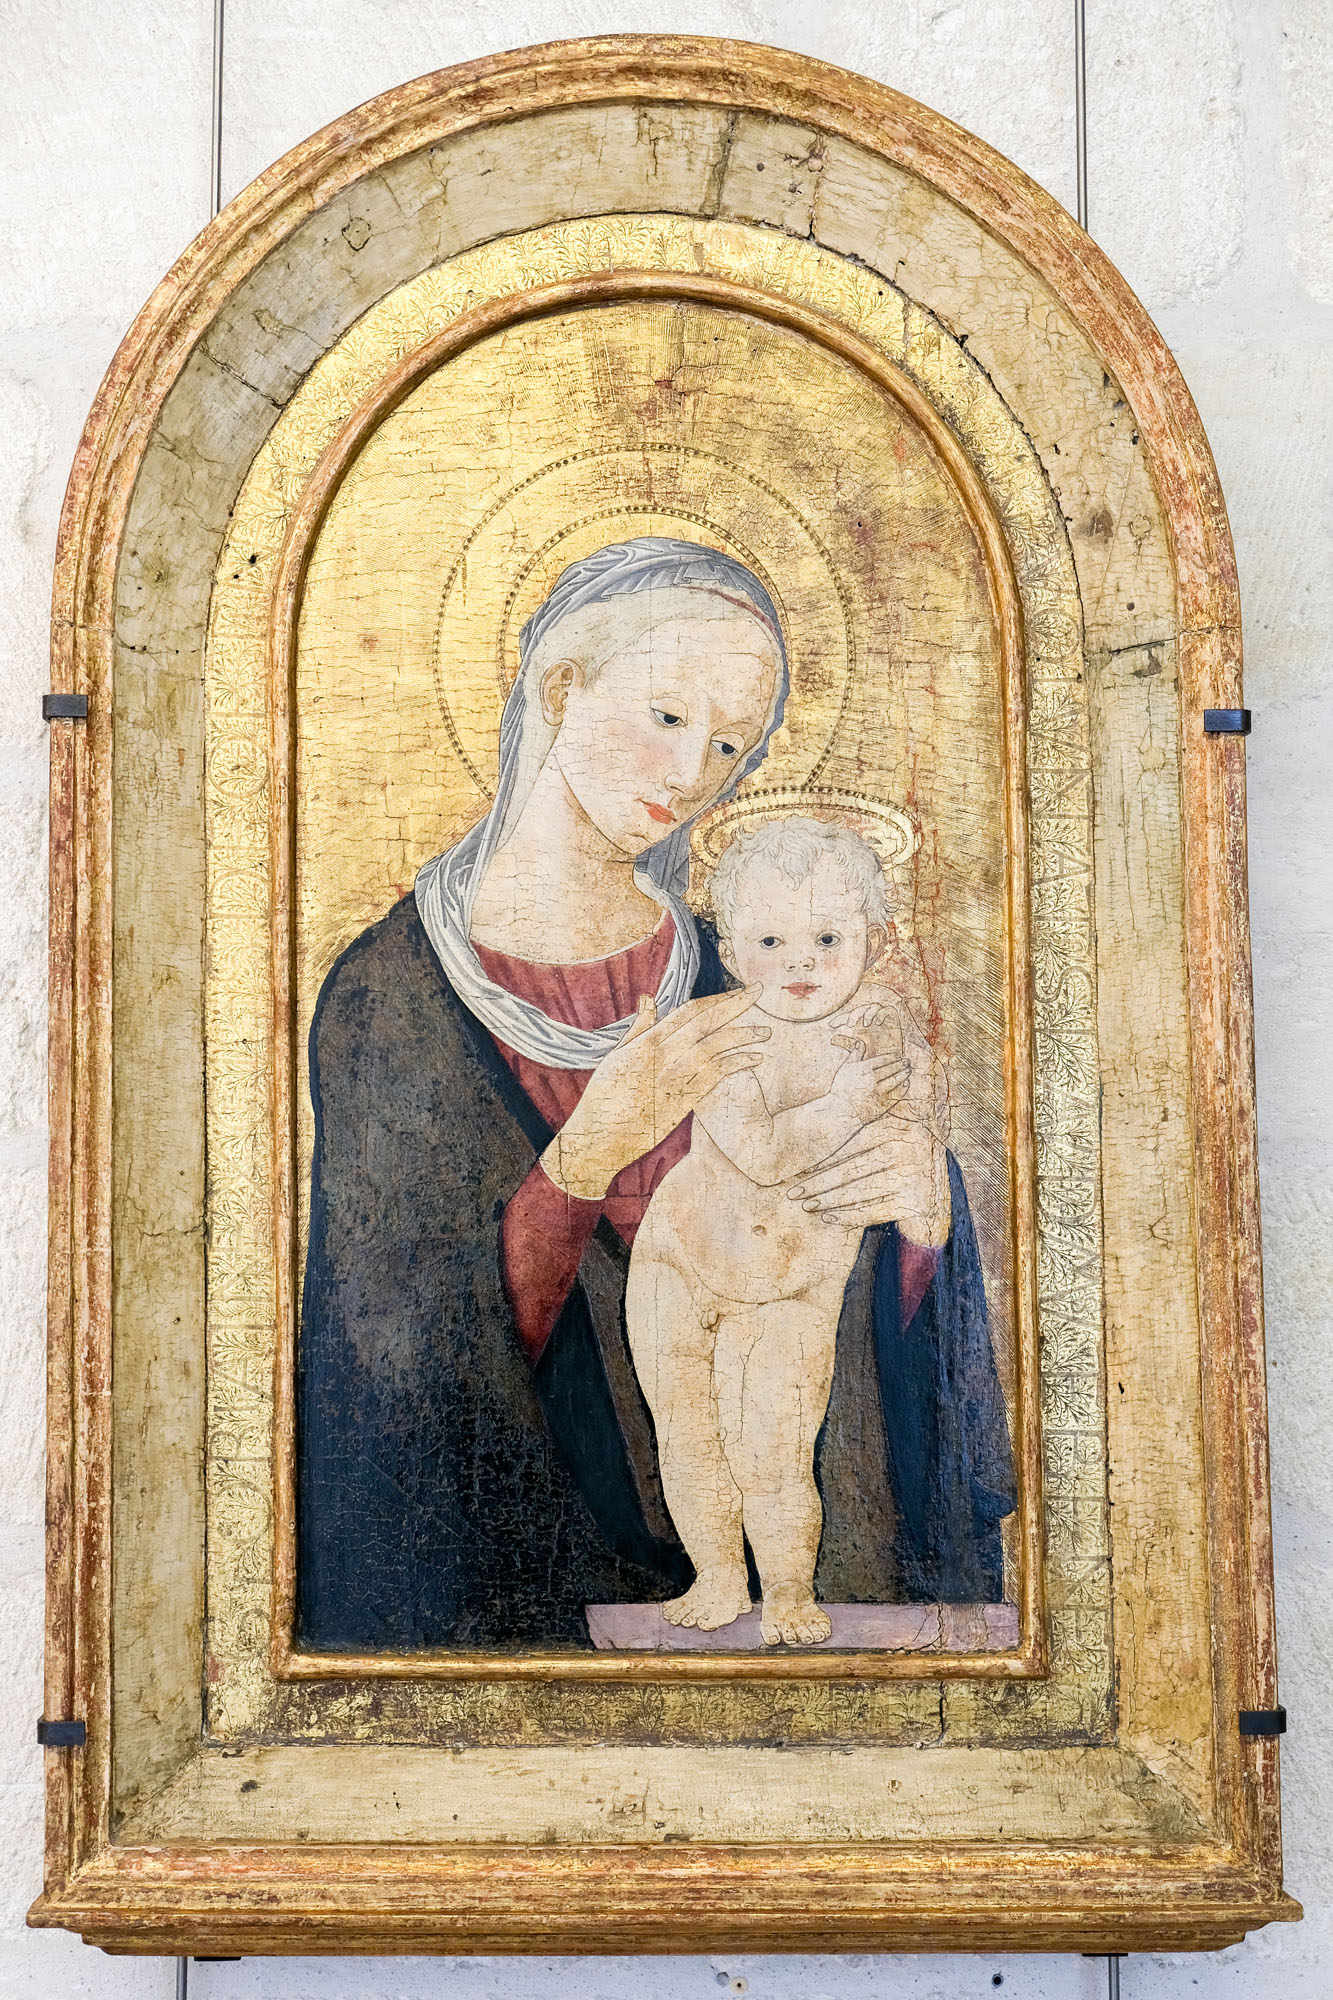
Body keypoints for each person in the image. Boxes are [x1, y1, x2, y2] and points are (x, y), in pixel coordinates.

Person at [297, 537, 1015, 1651]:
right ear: (561, 688)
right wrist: (594, 1146)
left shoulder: (762, 961)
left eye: (728, 744)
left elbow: (870, 1282)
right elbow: (385, 1367)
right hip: (540, 1581)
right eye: (668, 715)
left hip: (792, 1571)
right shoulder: (388, 995)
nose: (690, 772)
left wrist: (925, 1218)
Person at [626, 817, 938, 1646]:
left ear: (875, 941)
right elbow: (761, 1153)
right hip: (678, 1262)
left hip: (793, 1281)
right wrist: (843, 1105)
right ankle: (718, 1577)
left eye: (827, 938)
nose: (800, 963)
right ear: (731, 951)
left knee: (773, 1447)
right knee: (688, 1438)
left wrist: (897, 1104)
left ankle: (789, 1591)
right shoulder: (725, 1033)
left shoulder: (883, 1024)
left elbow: (909, 1133)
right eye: (771, 941)